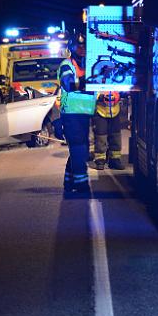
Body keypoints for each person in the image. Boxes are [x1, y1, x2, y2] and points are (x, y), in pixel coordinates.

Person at [57, 33, 97, 197]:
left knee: (79, 150)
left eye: (84, 46)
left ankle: (69, 181)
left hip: (84, 115)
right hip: (71, 115)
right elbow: (68, 84)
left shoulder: (89, 66)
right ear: (71, 48)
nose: (82, 49)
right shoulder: (66, 65)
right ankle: (81, 185)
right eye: (78, 46)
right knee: (79, 149)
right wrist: (91, 82)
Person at [92, 90, 125, 170]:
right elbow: (91, 91)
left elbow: (121, 91)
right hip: (100, 112)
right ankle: (100, 160)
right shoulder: (97, 79)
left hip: (115, 112)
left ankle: (115, 160)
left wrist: (117, 96)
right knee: (100, 137)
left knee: (115, 136)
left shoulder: (116, 79)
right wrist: (101, 97)